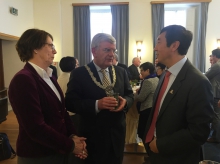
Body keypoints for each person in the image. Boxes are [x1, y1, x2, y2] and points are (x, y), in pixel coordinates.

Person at [8, 29, 87, 164]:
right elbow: (35, 127)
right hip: (38, 155)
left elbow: (62, 113)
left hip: (57, 149)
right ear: (35, 48)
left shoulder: (49, 76)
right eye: (51, 46)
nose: (55, 51)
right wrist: (71, 145)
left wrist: (74, 136)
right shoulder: (23, 79)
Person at [143, 25, 214, 164]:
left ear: (174, 45)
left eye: (159, 42)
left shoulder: (198, 82)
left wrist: (160, 145)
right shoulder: (165, 74)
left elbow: (199, 132)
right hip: (157, 154)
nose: (155, 48)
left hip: (177, 157)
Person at [65, 33, 134, 164]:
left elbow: (130, 95)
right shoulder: (79, 73)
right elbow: (70, 103)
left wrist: (125, 103)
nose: (111, 54)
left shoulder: (121, 72)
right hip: (92, 136)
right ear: (94, 51)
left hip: (117, 136)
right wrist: (97, 105)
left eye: (113, 50)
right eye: (107, 50)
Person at [134, 62, 158, 139]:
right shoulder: (156, 78)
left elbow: (141, 98)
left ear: (147, 70)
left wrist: (136, 94)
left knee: (143, 132)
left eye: (141, 70)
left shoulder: (147, 81)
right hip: (153, 107)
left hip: (146, 108)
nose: (140, 73)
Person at [205, 49, 220, 143]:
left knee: (215, 117)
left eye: (211, 56)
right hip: (217, 93)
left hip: (215, 93)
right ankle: (215, 136)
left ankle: (216, 137)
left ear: (214, 56)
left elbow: (206, 76)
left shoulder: (217, 65)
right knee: (216, 116)